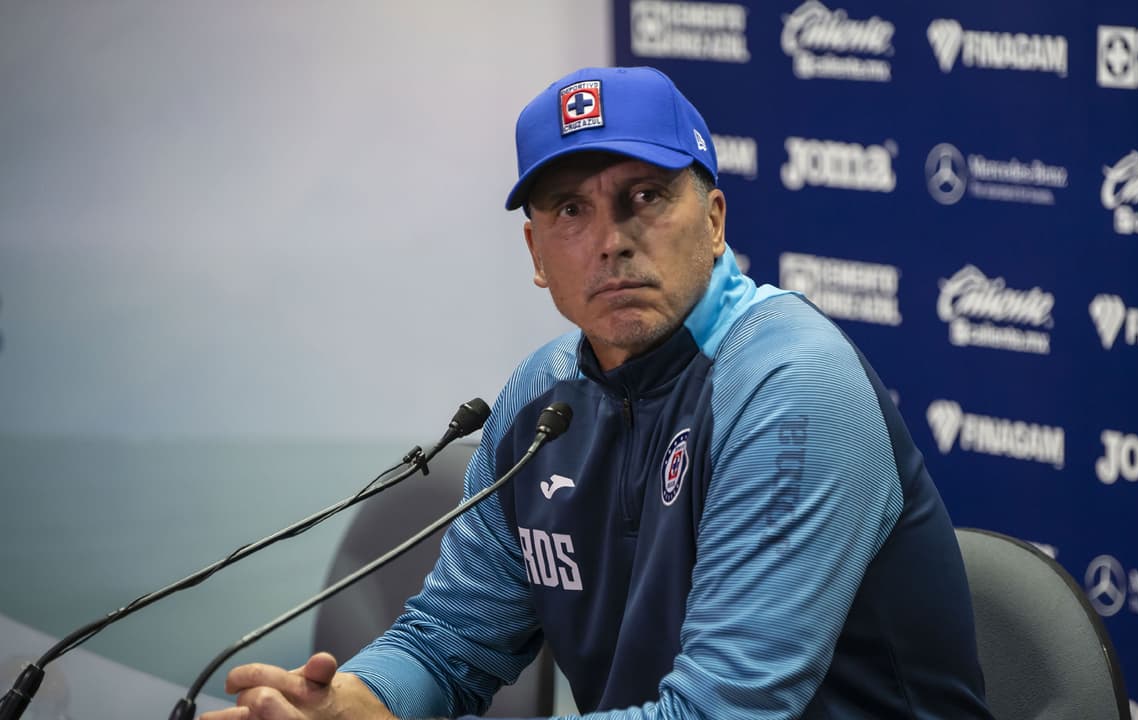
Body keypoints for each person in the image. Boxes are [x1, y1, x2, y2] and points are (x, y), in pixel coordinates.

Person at [200, 66, 993, 720]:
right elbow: (446, 643)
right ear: (536, 253)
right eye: (571, 210)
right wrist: (352, 704)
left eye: (645, 196)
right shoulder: (540, 399)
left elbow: (718, 713)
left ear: (714, 220)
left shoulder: (790, 386)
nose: (611, 241)